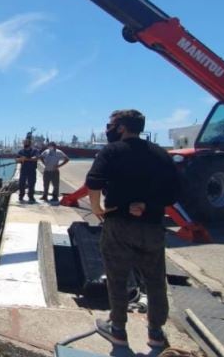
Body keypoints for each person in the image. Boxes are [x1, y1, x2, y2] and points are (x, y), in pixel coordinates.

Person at [85, 109, 180, 347]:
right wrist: (147, 205)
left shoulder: (112, 151)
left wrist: (96, 208)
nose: (108, 129)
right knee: (156, 280)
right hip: (152, 226)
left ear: (121, 127)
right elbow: (174, 193)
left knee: (117, 277)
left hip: (119, 223)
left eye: (111, 125)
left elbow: (94, 180)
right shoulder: (160, 153)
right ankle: (156, 333)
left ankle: (117, 329)